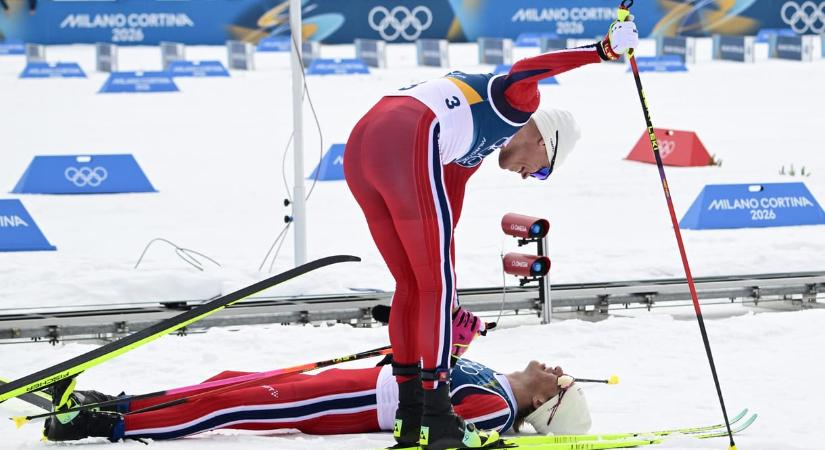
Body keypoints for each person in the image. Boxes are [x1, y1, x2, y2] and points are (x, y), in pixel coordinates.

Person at [342, 18, 638, 450]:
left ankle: (410, 419)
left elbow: (448, 226)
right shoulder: (519, 105)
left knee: (415, 283)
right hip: (406, 133)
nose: (528, 176)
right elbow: (528, 67)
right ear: (543, 139)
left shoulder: (468, 149)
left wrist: (442, 290)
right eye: (541, 170)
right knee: (434, 287)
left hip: (363, 145)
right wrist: (600, 51)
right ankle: (440, 422)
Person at [43, 357, 591, 444]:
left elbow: (438, 427)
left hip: (347, 407)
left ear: (544, 405)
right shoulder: (495, 376)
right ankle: (118, 404)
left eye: (562, 383)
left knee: (230, 406)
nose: (559, 371)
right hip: (352, 380)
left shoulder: (496, 408)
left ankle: (91, 425)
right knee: (230, 379)